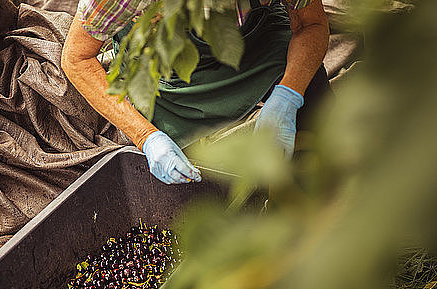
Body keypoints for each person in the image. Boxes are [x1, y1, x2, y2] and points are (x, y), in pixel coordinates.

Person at [62, 0, 330, 184]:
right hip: (169, 68)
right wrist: (147, 137)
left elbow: (311, 24)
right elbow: (77, 58)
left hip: (256, 41)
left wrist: (288, 95)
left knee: (317, 128)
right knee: (194, 185)